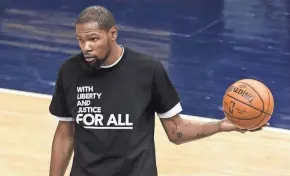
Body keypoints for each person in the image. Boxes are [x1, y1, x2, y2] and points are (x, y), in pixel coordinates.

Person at [48, 5, 267, 176]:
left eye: (93, 39)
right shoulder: (70, 71)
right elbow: (65, 135)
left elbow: (176, 132)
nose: (86, 46)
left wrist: (220, 126)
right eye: (80, 40)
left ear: (112, 33)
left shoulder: (147, 70)